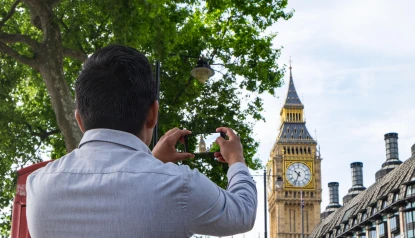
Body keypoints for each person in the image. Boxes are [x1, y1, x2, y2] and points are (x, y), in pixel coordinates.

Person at [26, 45, 257, 238]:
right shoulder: (180, 186)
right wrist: (236, 159)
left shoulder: (38, 186)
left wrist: (153, 161)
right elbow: (244, 213)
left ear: (79, 120)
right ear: (152, 114)